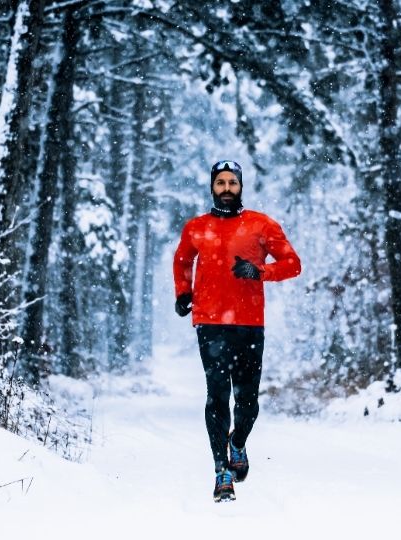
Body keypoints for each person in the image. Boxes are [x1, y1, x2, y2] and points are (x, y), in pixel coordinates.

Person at [173, 160, 301, 502]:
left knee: (247, 401)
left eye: (232, 182)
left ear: (240, 186)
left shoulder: (261, 225)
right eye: (221, 183)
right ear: (212, 187)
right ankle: (221, 473)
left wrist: (259, 271)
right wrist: (183, 293)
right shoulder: (197, 227)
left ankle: (238, 442)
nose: (226, 188)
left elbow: (292, 264)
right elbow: (183, 261)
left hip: (248, 324)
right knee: (216, 396)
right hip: (210, 324)